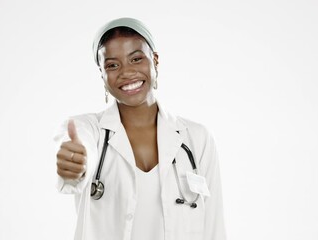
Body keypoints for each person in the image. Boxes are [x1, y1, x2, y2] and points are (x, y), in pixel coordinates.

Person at [55, 17, 226, 240]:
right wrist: (75, 162)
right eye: (112, 65)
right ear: (102, 75)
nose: (126, 72)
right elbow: (77, 145)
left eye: (136, 59)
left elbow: (214, 227)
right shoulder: (89, 130)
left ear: (155, 60)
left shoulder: (197, 138)